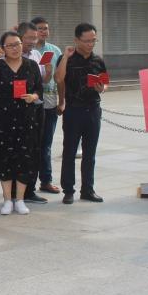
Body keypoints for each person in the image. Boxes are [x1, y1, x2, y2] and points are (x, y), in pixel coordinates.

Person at [0, 31, 43, 215]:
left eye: (18, 44)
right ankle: (7, 199)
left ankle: (20, 199)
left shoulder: (31, 65)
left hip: (26, 118)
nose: (15, 48)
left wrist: (33, 97)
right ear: (3, 48)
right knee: (4, 157)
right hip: (2, 118)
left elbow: (39, 89)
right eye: (10, 45)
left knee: (24, 157)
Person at [55, 23, 107, 205]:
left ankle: (88, 190)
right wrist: (65, 57)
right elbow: (58, 78)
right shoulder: (66, 58)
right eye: (87, 41)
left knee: (90, 153)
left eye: (93, 40)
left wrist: (102, 88)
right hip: (73, 111)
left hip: (93, 109)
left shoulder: (98, 60)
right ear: (76, 40)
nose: (90, 44)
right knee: (69, 152)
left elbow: (105, 82)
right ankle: (68, 190)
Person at [17, 21, 49, 205]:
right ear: (20, 37)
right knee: (16, 150)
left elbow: (41, 83)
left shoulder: (37, 55)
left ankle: (30, 189)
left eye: (34, 38)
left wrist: (48, 72)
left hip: (35, 109)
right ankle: (13, 191)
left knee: (34, 149)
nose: (32, 41)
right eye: (28, 38)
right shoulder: (7, 57)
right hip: (15, 111)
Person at [31, 16, 62, 195]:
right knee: (32, 143)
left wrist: (62, 101)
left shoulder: (55, 50)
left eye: (46, 28)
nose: (43, 31)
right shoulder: (28, 50)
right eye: (40, 28)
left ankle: (46, 180)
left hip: (50, 102)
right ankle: (28, 182)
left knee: (46, 144)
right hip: (32, 103)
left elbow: (60, 78)